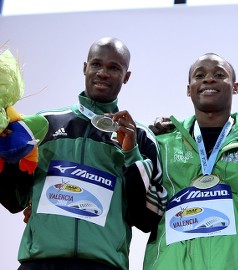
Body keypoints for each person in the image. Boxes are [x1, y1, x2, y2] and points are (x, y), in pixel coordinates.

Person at [0, 37, 163, 270]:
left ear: (127, 77)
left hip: (102, 264)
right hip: (39, 262)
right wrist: (5, 158)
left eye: (114, 68)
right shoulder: (43, 124)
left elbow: (147, 219)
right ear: (84, 67)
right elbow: (14, 200)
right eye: (96, 64)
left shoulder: (141, 137)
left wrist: (131, 153)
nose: (103, 73)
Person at [142, 53, 238, 270]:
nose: (209, 79)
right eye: (199, 75)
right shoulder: (162, 143)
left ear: (235, 87)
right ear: (188, 89)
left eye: (219, 74)